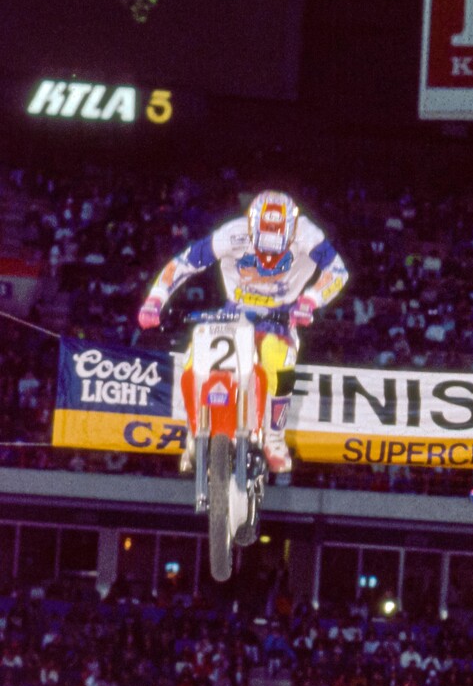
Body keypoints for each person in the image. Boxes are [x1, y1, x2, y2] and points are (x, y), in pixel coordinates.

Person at [138, 191, 350, 475]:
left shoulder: (308, 235)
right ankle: (193, 430)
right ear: (251, 227)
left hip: (281, 313)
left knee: (278, 361)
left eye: (277, 248)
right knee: (193, 358)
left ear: (291, 230)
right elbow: (184, 263)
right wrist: (155, 299)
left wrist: (310, 301)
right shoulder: (231, 234)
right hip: (235, 310)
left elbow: (338, 271)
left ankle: (274, 437)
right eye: (263, 246)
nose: (269, 256)